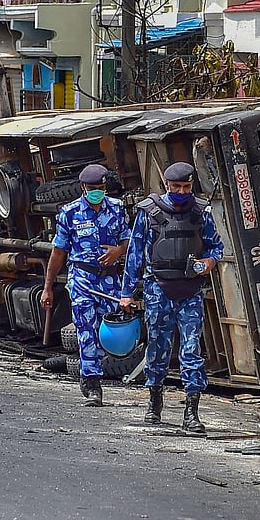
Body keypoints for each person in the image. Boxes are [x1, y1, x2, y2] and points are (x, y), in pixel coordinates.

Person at [120, 162, 224, 433]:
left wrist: (209, 262)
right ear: (166, 185)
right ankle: (154, 402)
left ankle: (191, 413)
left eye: (186, 187)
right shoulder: (149, 212)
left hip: (190, 292)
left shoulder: (202, 212)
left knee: (191, 351)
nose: (181, 191)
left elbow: (216, 246)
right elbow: (134, 253)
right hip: (158, 290)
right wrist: (126, 294)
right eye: (176, 186)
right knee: (157, 348)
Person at [41, 164, 130, 407]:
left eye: (101, 189)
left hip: (110, 280)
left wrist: (118, 251)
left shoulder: (117, 208)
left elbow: (128, 240)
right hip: (82, 279)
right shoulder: (69, 213)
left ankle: (93, 369)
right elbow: (59, 252)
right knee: (86, 330)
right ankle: (92, 384)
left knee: (110, 332)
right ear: (83, 187)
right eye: (92, 189)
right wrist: (48, 286)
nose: (97, 193)